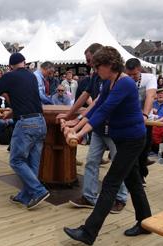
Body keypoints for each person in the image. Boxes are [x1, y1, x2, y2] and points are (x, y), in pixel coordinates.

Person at [63, 46, 152, 246]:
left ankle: (88, 232)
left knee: (111, 183)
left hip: (133, 140)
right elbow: (96, 109)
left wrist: (79, 134)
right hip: (122, 138)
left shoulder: (125, 84)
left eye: (97, 66)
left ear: (110, 65)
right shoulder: (108, 82)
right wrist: (75, 126)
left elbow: (105, 112)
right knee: (134, 181)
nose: (95, 70)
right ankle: (145, 222)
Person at [60, 43, 128, 214]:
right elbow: (93, 103)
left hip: (115, 129)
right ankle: (89, 196)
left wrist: (79, 129)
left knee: (119, 164)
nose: (90, 65)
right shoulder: (100, 78)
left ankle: (121, 198)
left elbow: (103, 108)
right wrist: (73, 119)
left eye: (92, 62)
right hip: (99, 128)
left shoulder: (121, 81)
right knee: (91, 161)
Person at [0, 53, 49, 209]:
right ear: (24, 63)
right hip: (40, 121)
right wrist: (10, 112)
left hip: (26, 124)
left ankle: (38, 191)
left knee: (16, 160)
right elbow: (26, 101)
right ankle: (25, 196)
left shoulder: (9, 77)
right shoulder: (32, 77)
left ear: (10, 66)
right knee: (32, 163)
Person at [125, 58, 157, 183]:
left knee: (144, 148)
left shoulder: (149, 78)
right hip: (129, 119)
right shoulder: (124, 79)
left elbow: (150, 96)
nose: (132, 77)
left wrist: (144, 115)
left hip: (145, 119)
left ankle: (141, 174)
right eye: (129, 74)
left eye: (135, 74)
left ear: (140, 70)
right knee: (132, 150)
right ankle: (135, 176)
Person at [150, 88, 163, 154]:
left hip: (162, 125)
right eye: (158, 93)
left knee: (155, 130)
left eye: (162, 93)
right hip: (151, 123)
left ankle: (154, 151)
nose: (160, 95)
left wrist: (156, 122)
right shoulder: (152, 103)